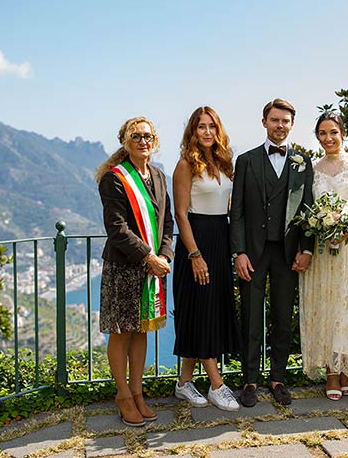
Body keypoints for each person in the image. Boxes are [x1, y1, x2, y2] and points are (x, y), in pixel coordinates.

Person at [230, 98, 314, 407]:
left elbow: (307, 210)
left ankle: (278, 378)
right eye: (275, 120)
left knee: (282, 316)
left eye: (286, 121)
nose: (280, 125)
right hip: (252, 251)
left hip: (287, 252)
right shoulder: (246, 160)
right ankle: (249, 381)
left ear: (292, 125)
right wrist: (238, 252)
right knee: (250, 316)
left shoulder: (303, 163)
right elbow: (236, 211)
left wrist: (306, 249)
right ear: (264, 122)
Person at [95, 116, 174, 426]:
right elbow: (116, 229)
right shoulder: (113, 179)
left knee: (142, 329)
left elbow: (167, 222)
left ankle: (138, 393)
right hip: (123, 267)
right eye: (136, 136)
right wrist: (148, 257)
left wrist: (165, 253)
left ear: (154, 142)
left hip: (152, 266)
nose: (143, 141)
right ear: (125, 144)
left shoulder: (159, 176)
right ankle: (123, 395)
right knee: (121, 331)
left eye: (147, 136)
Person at [298, 111, 348, 400]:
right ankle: (332, 373)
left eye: (333, 132)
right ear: (317, 137)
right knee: (327, 308)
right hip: (322, 253)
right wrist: (322, 225)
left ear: (343, 133)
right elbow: (305, 208)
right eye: (322, 133)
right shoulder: (312, 167)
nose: (328, 138)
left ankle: (347, 371)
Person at [171, 106, 241, 411]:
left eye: (212, 126)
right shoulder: (185, 165)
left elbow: (229, 205)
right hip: (196, 241)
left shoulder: (224, 163)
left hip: (220, 238)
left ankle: (184, 383)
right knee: (202, 310)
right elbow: (180, 214)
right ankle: (217, 385)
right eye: (201, 127)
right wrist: (195, 255)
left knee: (208, 310)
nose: (208, 131)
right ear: (193, 131)